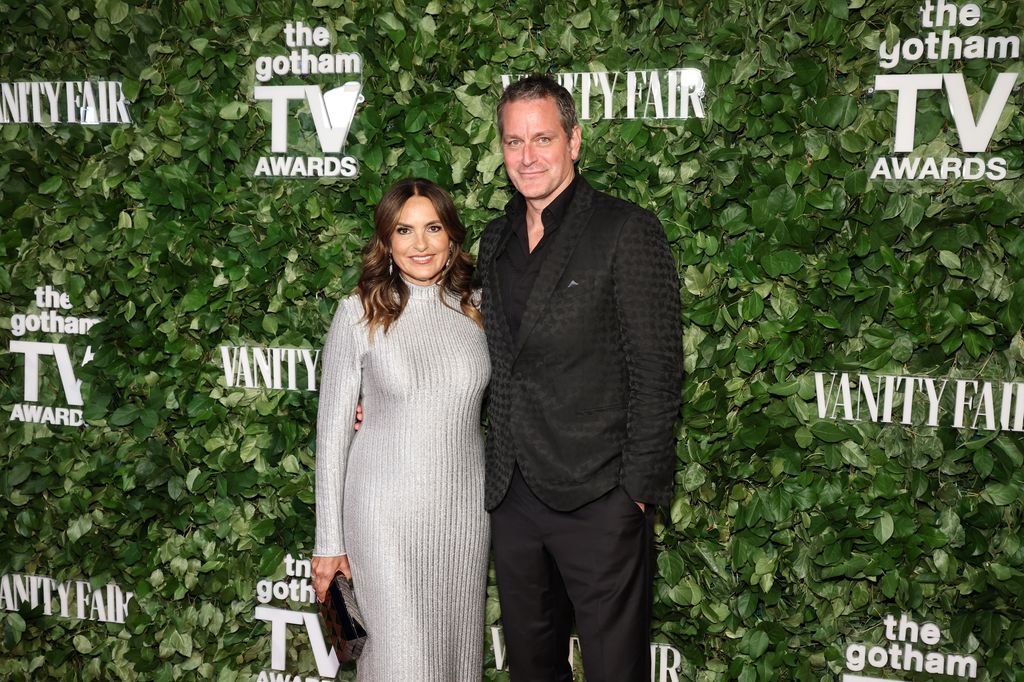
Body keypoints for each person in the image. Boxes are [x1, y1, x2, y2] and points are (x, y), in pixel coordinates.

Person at [477, 75, 683, 681]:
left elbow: (658, 369)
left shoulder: (625, 230)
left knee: (616, 670)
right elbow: (479, 348)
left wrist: (635, 495)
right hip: (514, 497)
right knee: (532, 671)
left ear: (575, 140)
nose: (528, 156)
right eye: (514, 142)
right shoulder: (496, 239)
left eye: (543, 138)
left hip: (599, 498)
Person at [310, 178, 490, 681]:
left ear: (452, 236)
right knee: (399, 663)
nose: (421, 244)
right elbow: (332, 435)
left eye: (433, 227)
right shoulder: (359, 313)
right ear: (386, 242)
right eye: (404, 230)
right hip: (384, 520)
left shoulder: (479, 308)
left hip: (463, 518)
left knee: (455, 662)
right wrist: (329, 542)